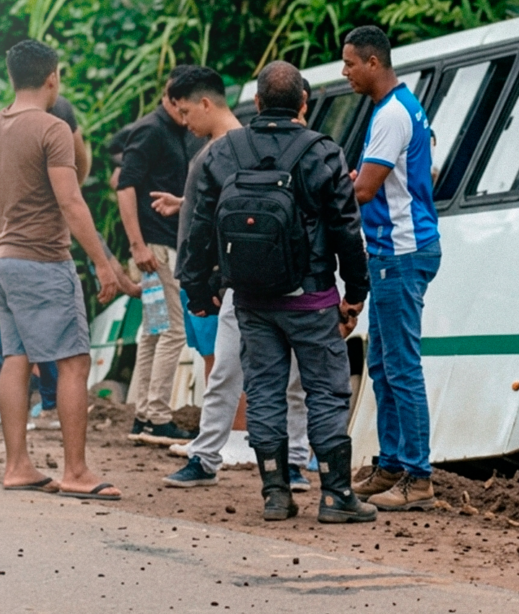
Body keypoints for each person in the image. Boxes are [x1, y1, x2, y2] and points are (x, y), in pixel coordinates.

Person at [182, 61, 373, 523]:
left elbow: (200, 226)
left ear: (259, 104)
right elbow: (346, 228)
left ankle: (275, 495)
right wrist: (355, 290)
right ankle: (336, 495)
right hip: (311, 297)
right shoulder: (323, 151)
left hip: (251, 299)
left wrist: (197, 287)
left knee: (264, 391)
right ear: (303, 104)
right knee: (325, 392)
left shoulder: (223, 153)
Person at [0, 39, 120, 498]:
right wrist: (102, 263)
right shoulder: (52, 128)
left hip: (1, 260)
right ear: (52, 76)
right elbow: (71, 200)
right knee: (74, 361)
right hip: (42, 261)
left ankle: (18, 465)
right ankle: (76, 472)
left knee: (16, 357)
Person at [155, 67, 312, 492]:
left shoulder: (241, 149)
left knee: (241, 372)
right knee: (258, 374)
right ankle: (236, 458)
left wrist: (197, 282)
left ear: (259, 103)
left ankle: (230, 459)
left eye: (187, 111)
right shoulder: (302, 149)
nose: (184, 121)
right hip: (269, 282)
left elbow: (209, 221)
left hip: (252, 282)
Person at [344, 26, 442, 511]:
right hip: (394, 251)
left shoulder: (391, 115)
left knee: (401, 367)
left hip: (400, 252)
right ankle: (393, 465)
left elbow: (364, 190)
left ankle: (419, 477)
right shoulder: (405, 107)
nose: (346, 73)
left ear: (373, 63)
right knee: (383, 364)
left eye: (350, 64)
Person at [117, 65, 204, 446]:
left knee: (153, 330)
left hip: (161, 244)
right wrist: (136, 245)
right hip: (156, 246)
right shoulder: (151, 130)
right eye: (182, 106)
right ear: (171, 98)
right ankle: (156, 413)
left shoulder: (174, 130)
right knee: (172, 330)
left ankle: (144, 413)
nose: (187, 114)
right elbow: (125, 186)